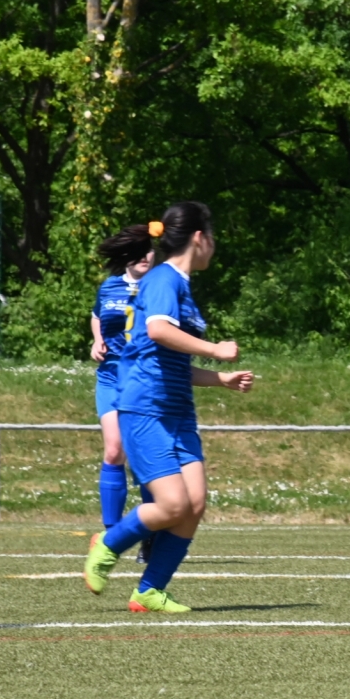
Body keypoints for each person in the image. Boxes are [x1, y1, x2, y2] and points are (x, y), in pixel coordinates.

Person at [83, 202, 254, 613]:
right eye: (212, 236)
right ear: (199, 238)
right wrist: (216, 349)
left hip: (177, 411)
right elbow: (159, 330)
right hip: (146, 408)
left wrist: (221, 379)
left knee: (193, 505)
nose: (214, 245)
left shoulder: (180, 285)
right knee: (172, 504)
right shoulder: (164, 279)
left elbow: (170, 361)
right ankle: (108, 543)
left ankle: (149, 591)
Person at [93, 225, 155, 531]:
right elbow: (97, 316)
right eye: (138, 251)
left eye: (149, 250)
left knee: (144, 456)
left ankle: (151, 531)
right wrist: (97, 340)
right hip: (110, 376)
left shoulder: (159, 288)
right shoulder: (109, 287)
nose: (145, 256)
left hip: (144, 380)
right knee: (114, 448)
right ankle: (111, 534)